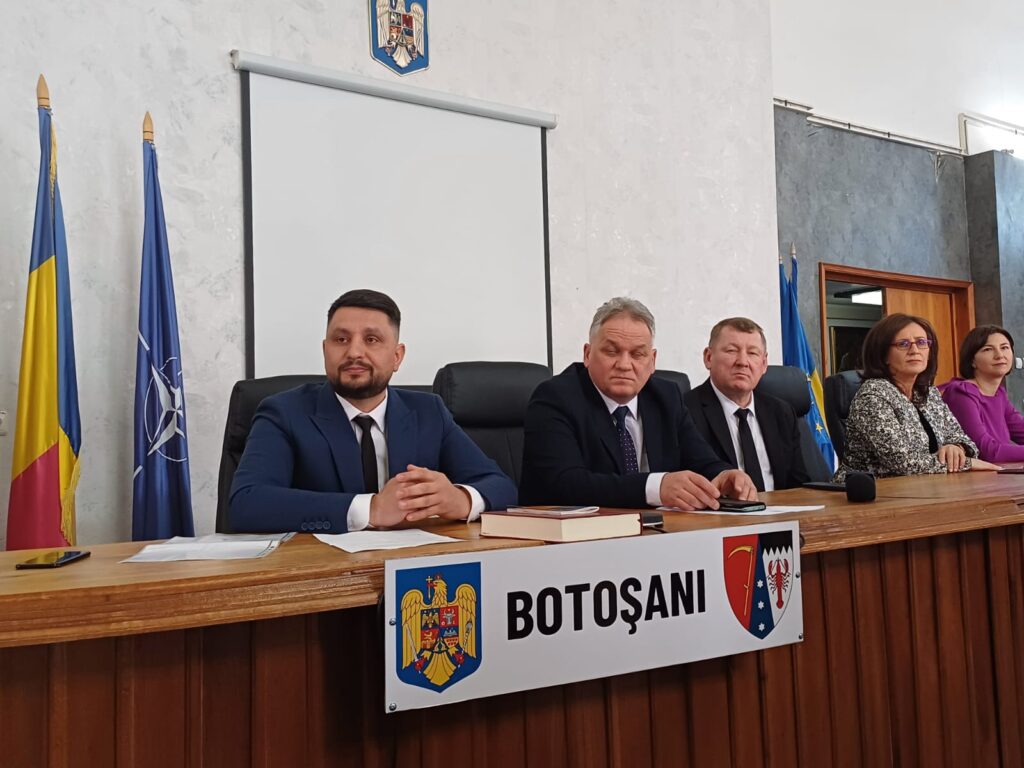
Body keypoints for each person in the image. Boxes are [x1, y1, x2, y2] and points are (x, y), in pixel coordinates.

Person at [230, 289, 517, 533]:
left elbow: (501, 486)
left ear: (397, 356)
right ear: (325, 350)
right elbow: (246, 504)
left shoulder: (429, 411)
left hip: (411, 566)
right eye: (341, 339)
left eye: (371, 340)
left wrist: (460, 499)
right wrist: (372, 509)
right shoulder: (284, 412)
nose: (354, 352)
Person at [519, 297, 757, 510]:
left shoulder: (666, 397)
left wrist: (724, 474)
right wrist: (655, 488)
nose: (624, 365)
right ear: (587, 354)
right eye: (611, 352)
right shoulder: (556, 398)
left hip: (659, 534)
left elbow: (701, 461)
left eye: (637, 354)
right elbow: (563, 484)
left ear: (652, 361)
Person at [835, 313, 998, 481]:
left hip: (924, 486)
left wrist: (956, 447)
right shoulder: (873, 396)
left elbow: (964, 440)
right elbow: (904, 462)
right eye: (903, 344)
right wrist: (967, 463)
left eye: (921, 342)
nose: (915, 351)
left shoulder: (928, 392)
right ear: (883, 355)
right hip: (870, 490)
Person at [684, 317, 810, 490]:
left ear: (764, 364)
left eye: (752, 353)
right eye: (731, 350)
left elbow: (799, 485)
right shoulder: (684, 411)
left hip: (779, 506)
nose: (742, 362)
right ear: (708, 357)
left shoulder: (781, 412)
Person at [941, 325, 1024, 462]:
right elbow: (987, 451)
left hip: (998, 473)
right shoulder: (961, 393)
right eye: (988, 349)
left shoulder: (999, 394)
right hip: (973, 475)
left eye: (1004, 347)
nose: (1000, 355)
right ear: (972, 360)